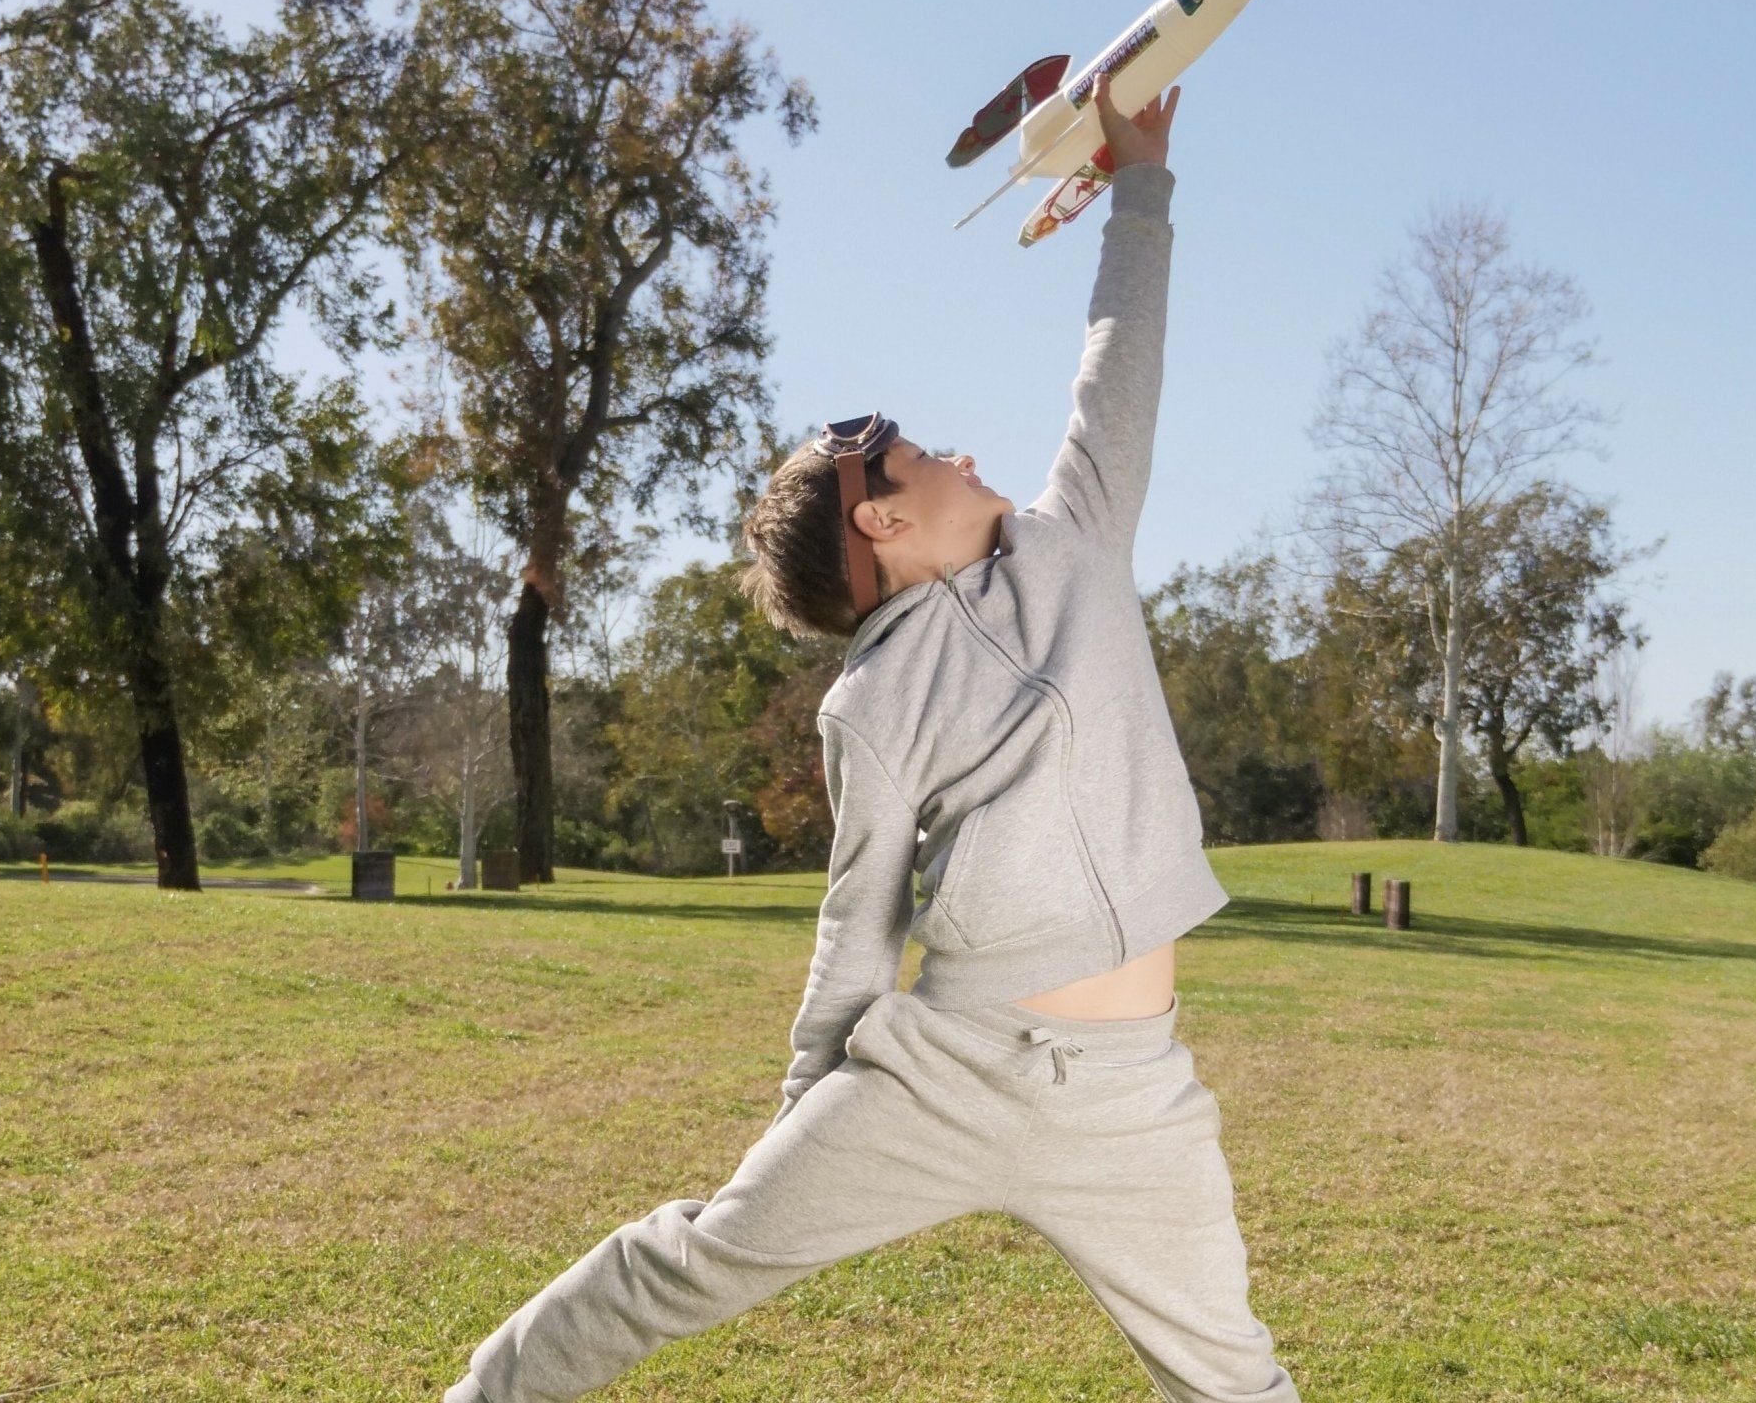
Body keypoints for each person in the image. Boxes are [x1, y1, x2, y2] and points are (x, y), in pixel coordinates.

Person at [443, 74, 1300, 1403]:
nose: (954, 451)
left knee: (1236, 1381)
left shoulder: (1072, 542)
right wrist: (805, 1119)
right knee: (696, 1259)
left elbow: (1118, 368)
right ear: (885, 528)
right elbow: (861, 918)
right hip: (947, 1068)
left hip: (1135, 1091)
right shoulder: (873, 700)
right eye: (913, 457)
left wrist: (1141, 183)